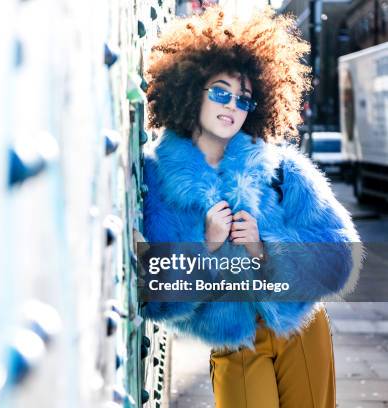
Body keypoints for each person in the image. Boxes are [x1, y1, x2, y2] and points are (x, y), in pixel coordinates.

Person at [140, 6, 362, 408]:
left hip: (299, 331)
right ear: (191, 90)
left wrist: (267, 249)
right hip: (233, 344)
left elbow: (339, 255)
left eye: (244, 99)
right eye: (220, 92)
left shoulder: (281, 167)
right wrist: (204, 245)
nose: (232, 107)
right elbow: (158, 299)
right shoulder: (159, 180)